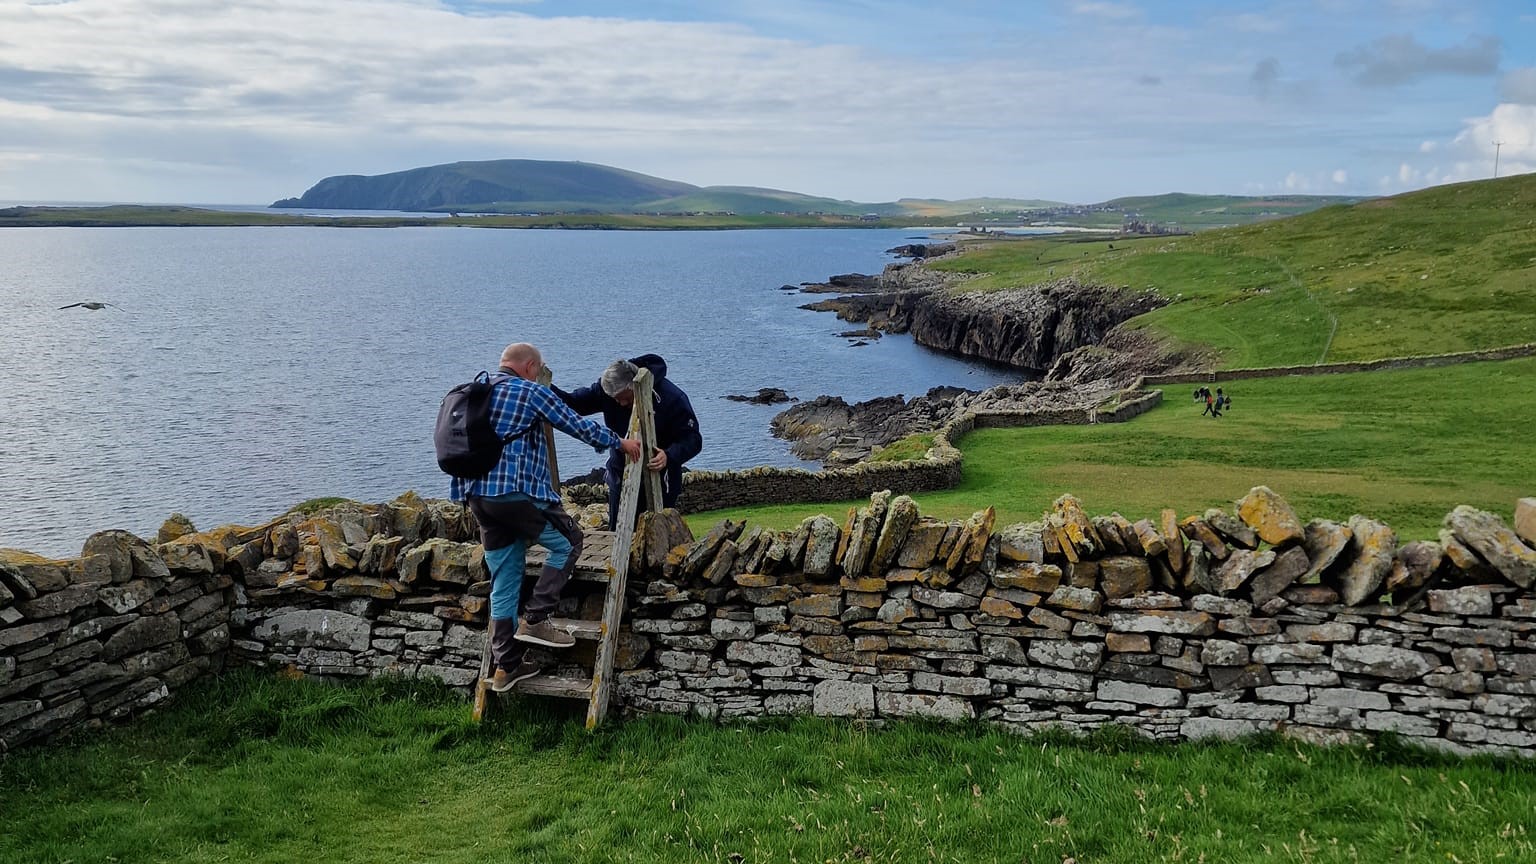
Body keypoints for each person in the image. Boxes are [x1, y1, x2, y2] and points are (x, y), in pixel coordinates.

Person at [450, 342, 642, 692]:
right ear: (529, 366)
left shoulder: (474, 391)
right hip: (518, 495)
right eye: (538, 369)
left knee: (505, 579)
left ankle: (506, 666)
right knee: (569, 542)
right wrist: (621, 443)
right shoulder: (528, 391)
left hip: (477, 498)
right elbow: (575, 424)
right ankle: (537, 619)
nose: (539, 374)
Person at [555, 354, 703, 528]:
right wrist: (539, 385)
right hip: (621, 475)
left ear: (634, 384)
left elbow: (693, 439)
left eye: (625, 396)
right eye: (615, 399)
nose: (621, 402)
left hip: (662, 478)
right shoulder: (608, 390)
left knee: (658, 535)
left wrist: (668, 456)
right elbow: (574, 403)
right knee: (619, 531)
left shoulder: (672, 398)